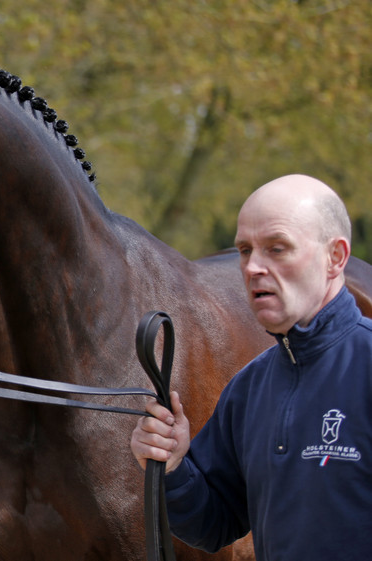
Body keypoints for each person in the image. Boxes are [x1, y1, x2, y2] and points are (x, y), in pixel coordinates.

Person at [130, 174, 372, 559]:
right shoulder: (250, 387)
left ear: (336, 257)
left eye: (277, 249)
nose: (252, 267)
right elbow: (215, 525)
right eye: (245, 250)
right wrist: (173, 467)